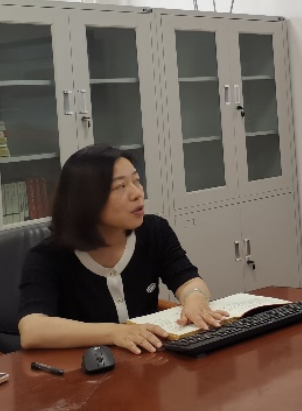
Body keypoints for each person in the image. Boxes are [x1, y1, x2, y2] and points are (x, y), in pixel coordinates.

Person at [18, 144, 228, 354]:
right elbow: (32, 330)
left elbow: (188, 279)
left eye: (137, 181)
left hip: (147, 359)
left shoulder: (154, 231)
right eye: (120, 187)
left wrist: (195, 299)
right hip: (82, 366)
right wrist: (115, 333)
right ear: (86, 199)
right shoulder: (47, 257)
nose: (137, 193)